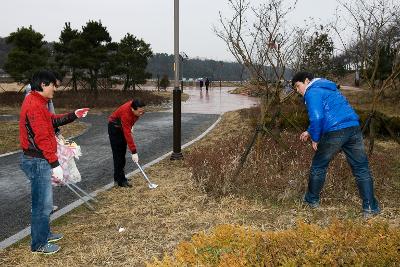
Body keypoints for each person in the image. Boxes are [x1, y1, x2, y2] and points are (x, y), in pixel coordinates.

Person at [291, 71, 380, 217]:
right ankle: (370, 207)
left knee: (319, 165)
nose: (297, 90)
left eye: (297, 86)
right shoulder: (329, 89)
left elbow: (318, 117)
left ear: (306, 81)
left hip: (335, 131)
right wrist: (309, 131)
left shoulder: (311, 92)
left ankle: (311, 200)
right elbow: (332, 112)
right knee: (361, 168)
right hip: (353, 128)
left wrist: (315, 137)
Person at [19, 70, 89, 254]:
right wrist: (54, 164)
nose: (54, 90)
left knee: (47, 204)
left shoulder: (38, 102)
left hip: (40, 159)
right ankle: (39, 245)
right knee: (41, 205)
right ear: (43, 84)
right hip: (37, 160)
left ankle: (45, 234)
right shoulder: (34, 105)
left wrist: (74, 114)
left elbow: (52, 121)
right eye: (53, 86)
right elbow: (41, 137)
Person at [108, 99, 146, 187]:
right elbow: (127, 134)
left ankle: (119, 178)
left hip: (122, 126)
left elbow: (132, 120)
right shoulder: (126, 114)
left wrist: (131, 126)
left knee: (122, 154)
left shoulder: (135, 106)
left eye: (143, 111)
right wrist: (134, 152)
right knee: (118, 155)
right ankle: (120, 181)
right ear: (133, 109)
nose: (141, 113)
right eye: (140, 112)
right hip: (115, 128)